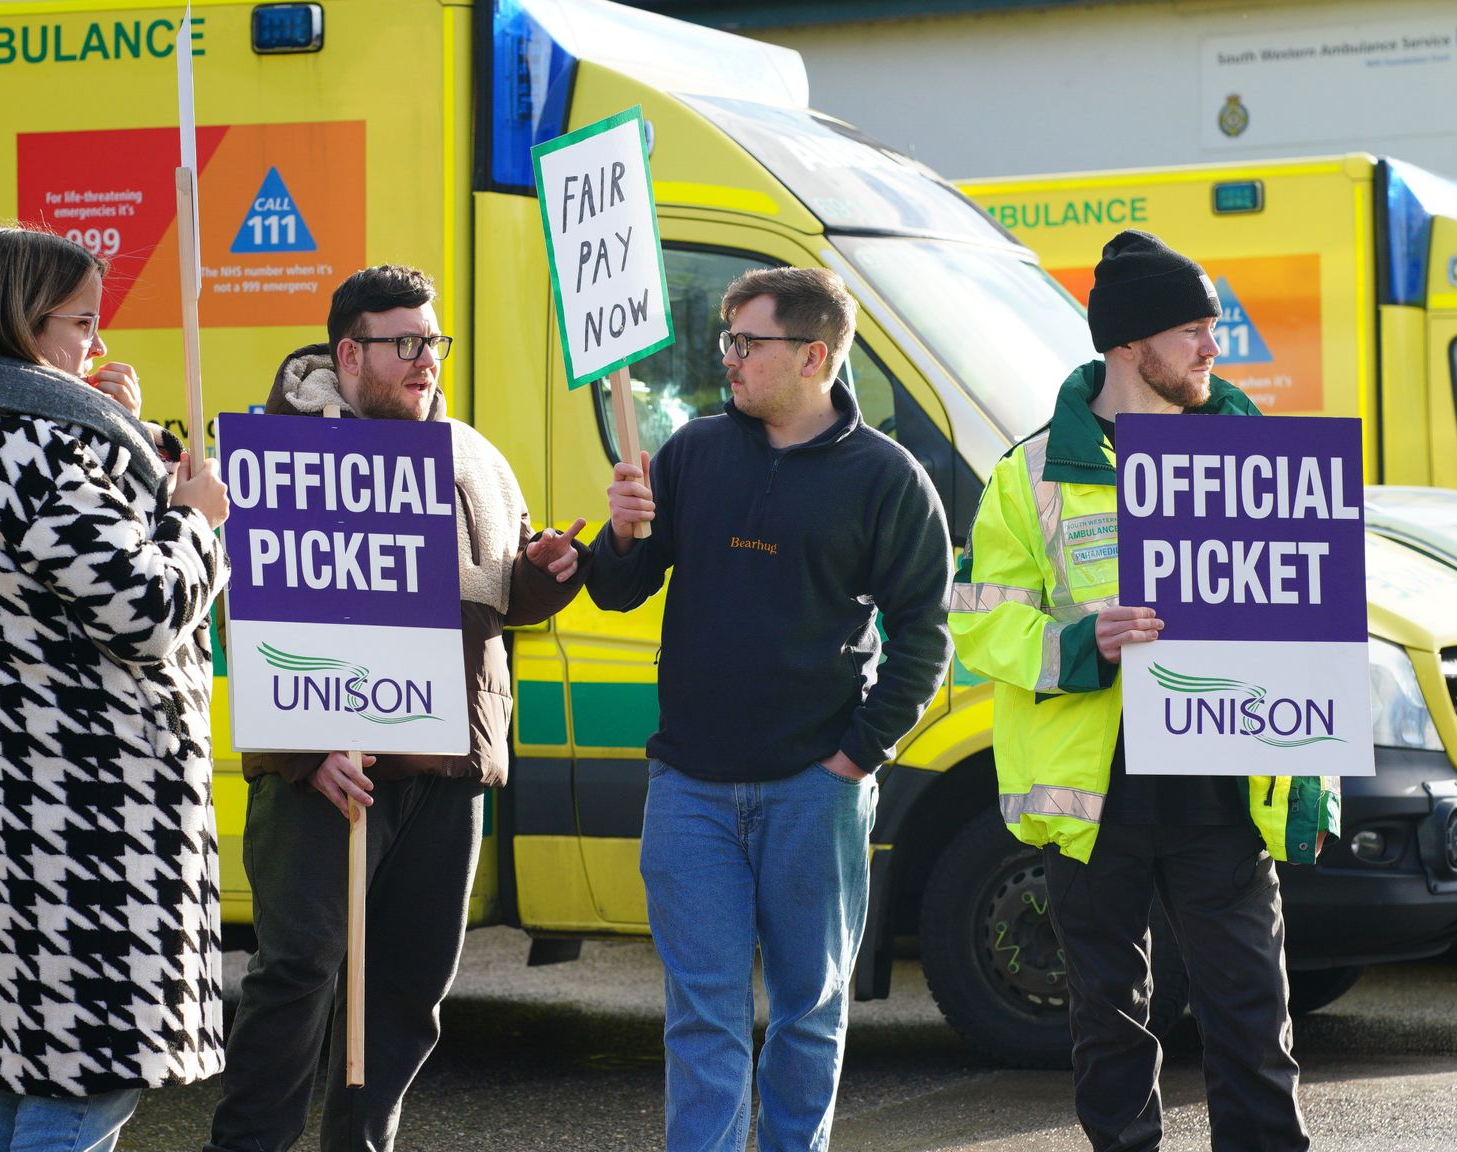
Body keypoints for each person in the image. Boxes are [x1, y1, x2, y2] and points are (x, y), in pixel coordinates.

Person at [951, 229, 1337, 1152]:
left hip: (1223, 783)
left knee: (1252, 1014)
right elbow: (979, 624)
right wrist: (1086, 642)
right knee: (1109, 1019)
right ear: (1128, 346)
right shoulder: (1031, 473)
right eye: (1194, 329)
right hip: (1098, 794)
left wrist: (1315, 762)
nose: (1215, 347)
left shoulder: (1263, 462)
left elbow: (1312, 623)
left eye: (1212, 328)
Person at [206, 264, 588, 1152]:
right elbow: (241, 616)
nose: (425, 360)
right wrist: (305, 752)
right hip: (324, 774)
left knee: (409, 989)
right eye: (404, 343)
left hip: (448, 768)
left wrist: (544, 571)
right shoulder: (270, 452)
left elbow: (499, 597)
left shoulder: (471, 454)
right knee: (300, 975)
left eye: (433, 341)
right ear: (348, 352)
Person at [588, 267, 953, 1151]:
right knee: (702, 1016)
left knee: (808, 1011)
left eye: (748, 345)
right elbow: (618, 592)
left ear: (816, 356)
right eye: (728, 343)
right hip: (690, 787)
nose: (731, 362)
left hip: (812, 789)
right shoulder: (694, 451)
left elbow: (925, 636)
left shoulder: (888, 479)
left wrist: (856, 758)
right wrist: (623, 532)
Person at [0, 226, 231, 1151]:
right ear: (20, 322)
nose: (98, 343)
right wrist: (196, 521)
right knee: (86, 1081)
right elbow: (148, 606)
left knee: (26, 1075)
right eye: (82, 321)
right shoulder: (31, 447)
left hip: (19, 813)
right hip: (88, 815)